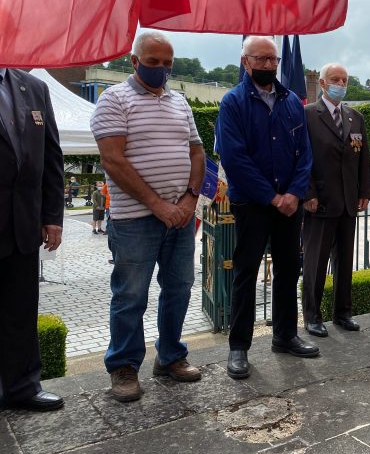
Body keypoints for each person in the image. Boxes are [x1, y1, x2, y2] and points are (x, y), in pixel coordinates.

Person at [91, 31, 205, 402]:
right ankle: (123, 366)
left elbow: (197, 154)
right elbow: (113, 160)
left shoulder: (180, 102)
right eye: (153, 62)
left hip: (181, 217)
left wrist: (189, 200)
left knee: (179, 287)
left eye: (167, 63)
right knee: (130, 295)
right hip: (134, 219)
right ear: (134, 61)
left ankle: (170, 355)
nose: (162, 69)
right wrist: (158, 205)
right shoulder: (113, 100)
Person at [216, 35, 317, 380]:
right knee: (246, 272)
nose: (269, 65)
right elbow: (234, 158)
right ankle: (239, 347)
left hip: (290, 204)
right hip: (254, 204)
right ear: (245, 62)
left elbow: (305, 153)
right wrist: (272, 197)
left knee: (290, 269)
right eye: (260, 59)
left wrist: (294, 193)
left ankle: (286, 335)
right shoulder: (232, 103)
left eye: (272, 60)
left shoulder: (291, 101)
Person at [0, 67, 65, 411]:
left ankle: (23, 387)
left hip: (23, 223)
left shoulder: (34, 86)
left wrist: (53, 217)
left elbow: (52, 156)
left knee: (21, 309)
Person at [302, 63, 370, 337]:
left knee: (344, 262)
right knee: (315, 264)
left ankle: (343, 313)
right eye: (335, 79)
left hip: (348, 201)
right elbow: (302, 158)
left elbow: (363, 159)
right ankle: (312, 316)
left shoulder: (355, 117)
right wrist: (308, 194)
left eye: (344, 80)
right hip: (319, 201)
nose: (340, 84)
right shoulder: (308, 115)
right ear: (321, 83)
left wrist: (365, 191)